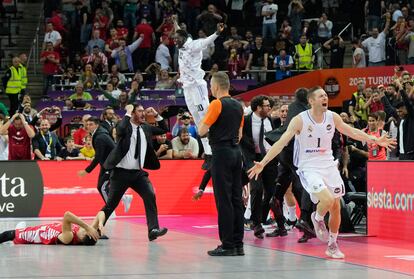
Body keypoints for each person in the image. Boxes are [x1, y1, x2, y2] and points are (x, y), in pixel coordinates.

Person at [248, 86, 396, 259]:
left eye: (326, 95)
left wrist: (375, 139)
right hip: (308, 166)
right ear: (311, 101)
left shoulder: (332, 117)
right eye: (321, 96)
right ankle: (316, 218)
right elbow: (280, 143)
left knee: (335, 207)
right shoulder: (300, 120)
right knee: (326, 199)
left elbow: (352, 131)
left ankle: (332, 245)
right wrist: (263, 163)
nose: (325, 98)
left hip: (328, 165)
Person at [101, 104, 168, 241]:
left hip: (138, 174)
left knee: (150, 195)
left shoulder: (146, 128)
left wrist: (155, 114)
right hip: (120, 173)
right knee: (111, 204)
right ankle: (96, 228)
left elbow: (163, 129)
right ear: (132, 114)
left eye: (144, 111)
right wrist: (128, 111)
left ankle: (153, 229)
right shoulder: (125, 127)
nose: (143, 113)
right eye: (140, 111)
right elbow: (120, 129)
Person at [198, 72, 244, 256]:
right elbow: (240, 135)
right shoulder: (238, 106)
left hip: (221, 153)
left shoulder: (216, 104)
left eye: (210, 86)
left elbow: (202, 130)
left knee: (223, 199)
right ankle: (238, 244)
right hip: (236, 153)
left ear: (215, 86)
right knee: (236, 198)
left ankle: (227, 244)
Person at [173, 19, 224, 170]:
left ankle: (215, 152)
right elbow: (179, 30)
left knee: (205, 119)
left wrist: (217, 32)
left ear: (183, 38)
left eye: (177, 39)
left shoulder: (193, 45)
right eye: (174, 39)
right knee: (196, 119)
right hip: (187, 87)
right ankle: (208, 154)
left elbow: (206, 41)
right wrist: (175, 22)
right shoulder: (181, 42)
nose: (175, 41)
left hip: (197, 86)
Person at [239, 95, 281, 239]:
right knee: (256, 189)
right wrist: (248, 162)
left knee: (270, 192)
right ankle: (256, 224)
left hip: (269, 159)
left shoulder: (272, 120)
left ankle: (261, 217)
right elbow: (242, 143)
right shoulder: (247, 121)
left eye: (270, 106)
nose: (269, 108)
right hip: (253, 159)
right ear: (258, 107)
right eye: (266, 106)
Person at [0, 211, 102, 246]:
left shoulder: (68, 237)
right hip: (36, 228)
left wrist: (87, 227)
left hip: (29, 235)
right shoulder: (81, 233)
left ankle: (12, 241)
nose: (86, 228)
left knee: (7, 235)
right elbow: (101, 213)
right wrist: (100, 224)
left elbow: (67, 215)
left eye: (85, 230)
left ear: (84, 235)